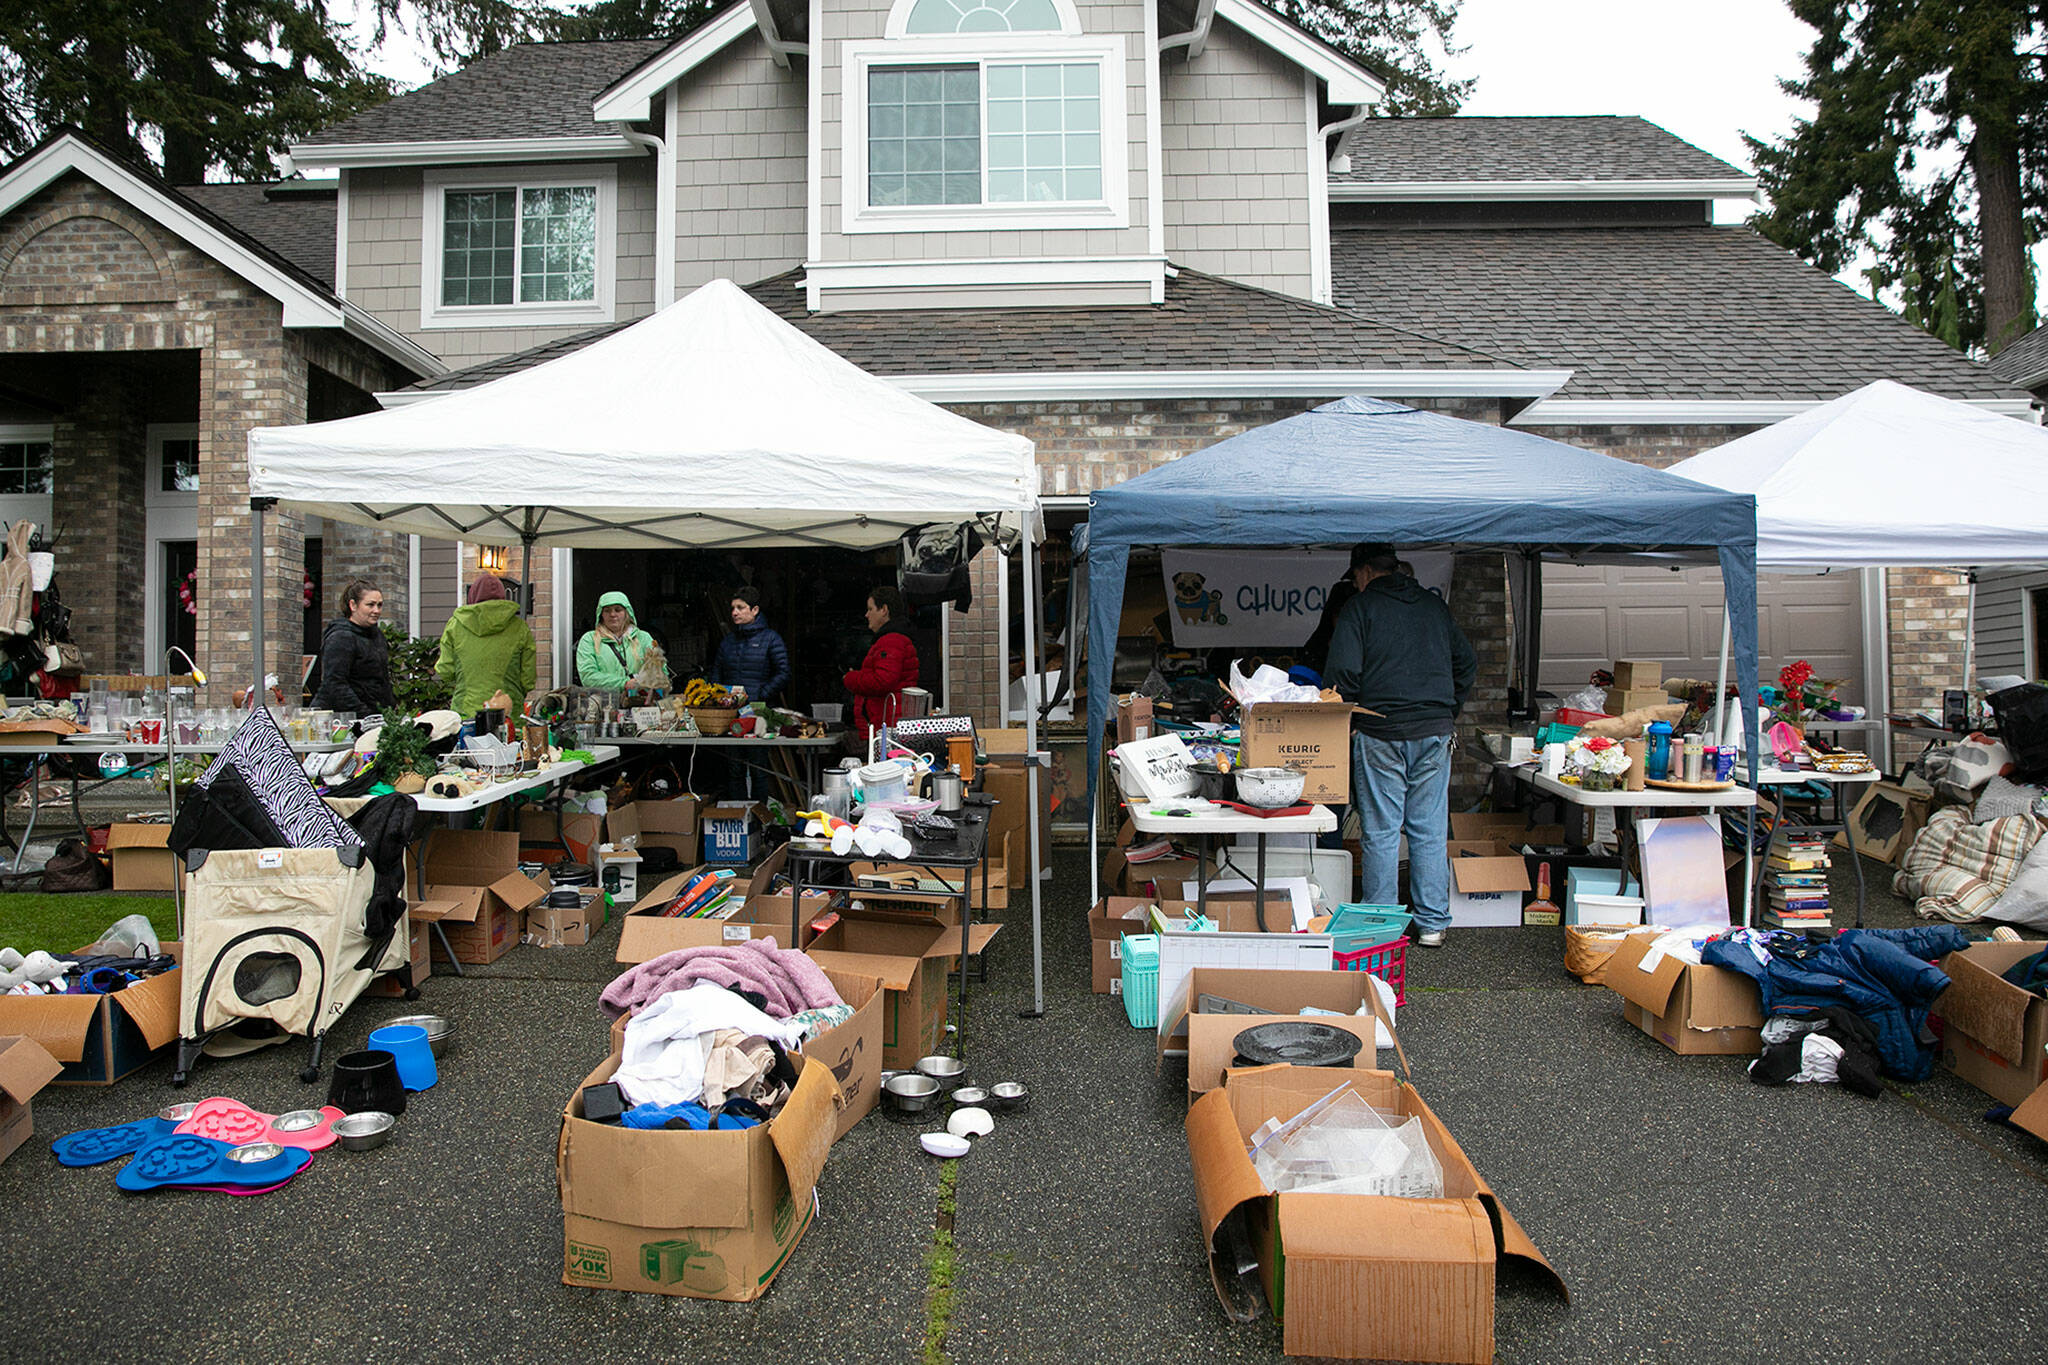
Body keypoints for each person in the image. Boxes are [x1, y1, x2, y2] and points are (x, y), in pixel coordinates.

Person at [1325, 543, 1476, 949]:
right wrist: (1448, 710)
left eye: (1354, 575)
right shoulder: (1433, 606)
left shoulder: (1361, 608)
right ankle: (1431, 926)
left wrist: (1354, 718)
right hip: (1434, 730)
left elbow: (1341, 672)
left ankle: (1382, 924)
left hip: (1381, 732)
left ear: (1365, 571)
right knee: (1428, 830)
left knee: (1382, 830)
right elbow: (1466, 662)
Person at [435, 574, 536, 714]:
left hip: (467, 713)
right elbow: (528, 679)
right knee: (509, 736)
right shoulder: (520, 628)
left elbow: (445, 671)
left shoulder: (455, 626)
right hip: (508, 714)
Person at [844, 585, 918, 739]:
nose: (866, 615)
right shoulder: (894, 639)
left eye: (870, 609)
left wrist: (850, 678)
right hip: (889, 723)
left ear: (884, 610)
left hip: (887, 728)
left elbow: (882, 681)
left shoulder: (891, 641)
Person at [312, 578, 394, 715]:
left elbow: (382, 680)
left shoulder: (377, 635)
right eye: (370, 605)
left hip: (371, 715)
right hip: (341, 718)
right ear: (353, 605)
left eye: (379, 605)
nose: (376, 610)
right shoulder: (341, 637)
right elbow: (335, 684)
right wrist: (365, 714)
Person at [712, 586, 790, 702]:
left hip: (759, 706)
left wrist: (762, 694)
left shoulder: (771, 638)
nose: (734, 613)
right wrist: (719, 696)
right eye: (733, 608)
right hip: (730, 707)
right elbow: (716, 672)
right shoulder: (727, 641)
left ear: (755, 610)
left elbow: (783, 673)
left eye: (740, 608)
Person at [575, 591, 665, 691]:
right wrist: (624, 683)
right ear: (601, 615)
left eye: (618, 610)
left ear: (627, 612)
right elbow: (588, 677)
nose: (613, 614)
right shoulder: (589, 640)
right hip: (604, 702)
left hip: (639, 701)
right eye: (607, 611)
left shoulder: (643, 637)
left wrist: (642, 683)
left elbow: (660, 670)